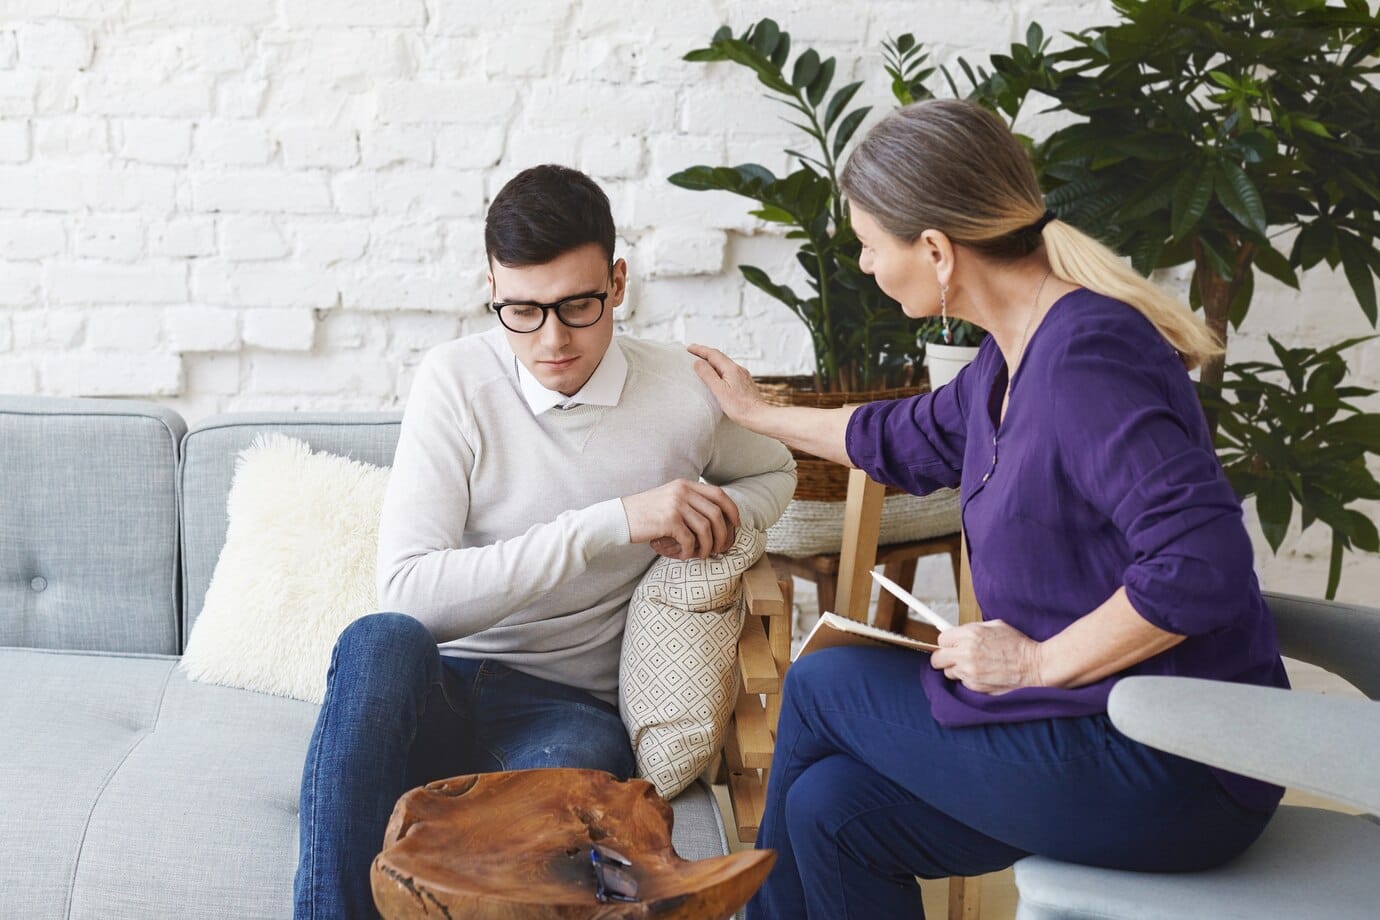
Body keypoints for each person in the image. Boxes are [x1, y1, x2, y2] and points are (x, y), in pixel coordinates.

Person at [689, 99, 1289, 919]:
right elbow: (897, 434)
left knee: (827, 683)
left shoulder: (1085, 360)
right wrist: (759, 412)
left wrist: (1036, 664)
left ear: (936, 250)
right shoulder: (1010, 358)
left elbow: (1201, 570)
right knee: (830, 810)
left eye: (869, 245)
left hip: (1176, 763)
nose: (863, 265)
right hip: (1090, 731)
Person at [293, 164, 797, 919]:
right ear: (493, 291)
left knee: (556, 842)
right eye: (521, 311)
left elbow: (778, 471)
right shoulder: (455, 381)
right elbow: (409, 595)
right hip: (438, 684)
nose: (552, 339)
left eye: (578, 306)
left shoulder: (683, 390)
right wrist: (611, 521)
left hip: (565, 709)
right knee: (378, 639)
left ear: (618, 283)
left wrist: (715, 510)